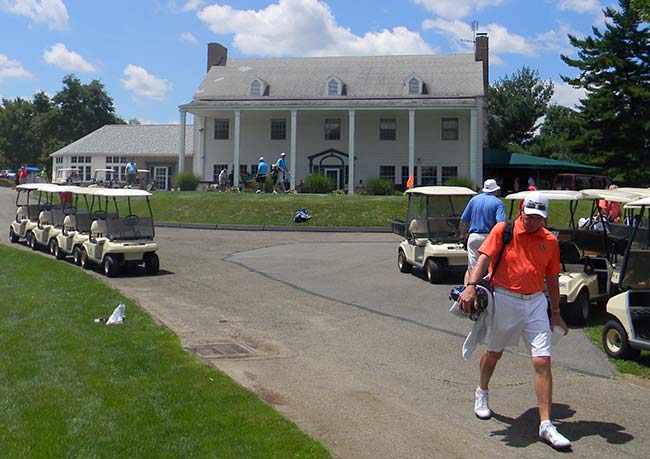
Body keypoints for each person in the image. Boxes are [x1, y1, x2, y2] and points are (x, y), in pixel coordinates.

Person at [458, 191, 571, 450]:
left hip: (535, 303)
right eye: (530, 216)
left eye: (539, 218)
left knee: (542, 360)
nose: (533, 222)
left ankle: (545, 424)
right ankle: (482, 392)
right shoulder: (503, 230)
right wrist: (471, 286)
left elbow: (552, 278)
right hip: (505, 299)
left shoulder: (550, 240)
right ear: (521, 209)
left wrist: (555, 312)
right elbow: (483, 258)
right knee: (494, 352)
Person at [459, 179, 506, 283]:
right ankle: (490, 290)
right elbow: (501, 223)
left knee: (472, 267)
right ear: (495, 190)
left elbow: (463, 220)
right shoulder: (498, 202)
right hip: (490, 236)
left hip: (474, 236)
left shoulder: (474, 200)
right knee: (491, 265)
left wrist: (462, 235)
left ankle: (470, 289)